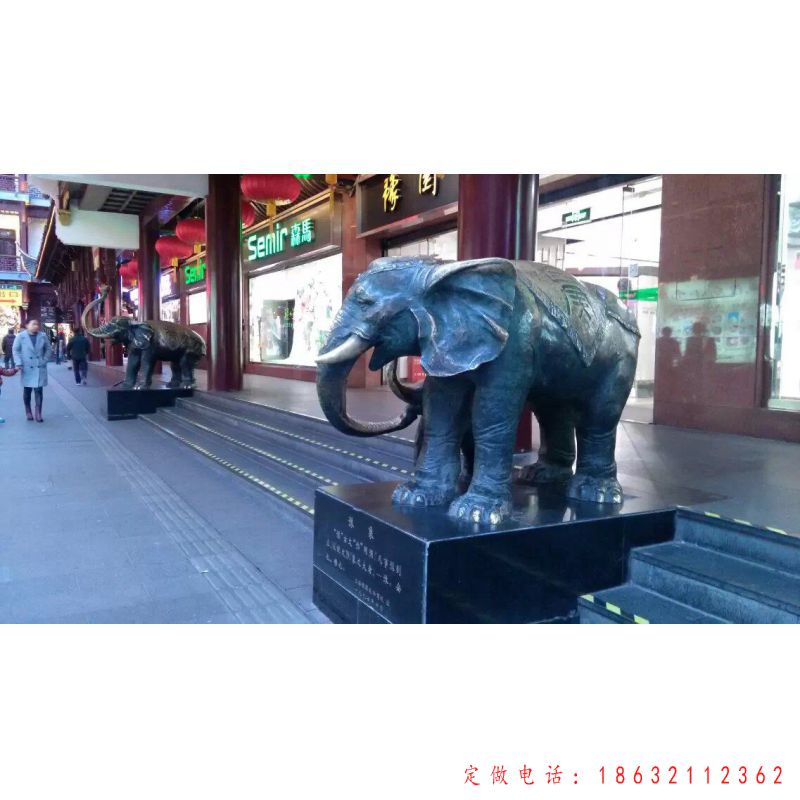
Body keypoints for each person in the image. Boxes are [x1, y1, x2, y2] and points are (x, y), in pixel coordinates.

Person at [12, 319, 51, 422]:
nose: (36, 326)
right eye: (33, 324)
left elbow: (48, 349)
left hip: (39, 366)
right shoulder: (21, 336)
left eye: (37, 324)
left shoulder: (43, 336)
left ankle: (38, 413)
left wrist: (44, 360)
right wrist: (18, 362)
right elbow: (15, 350)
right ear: (27, 325)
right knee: (27, 391)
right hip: (27, 367)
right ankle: (28, 411)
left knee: (39, 391)